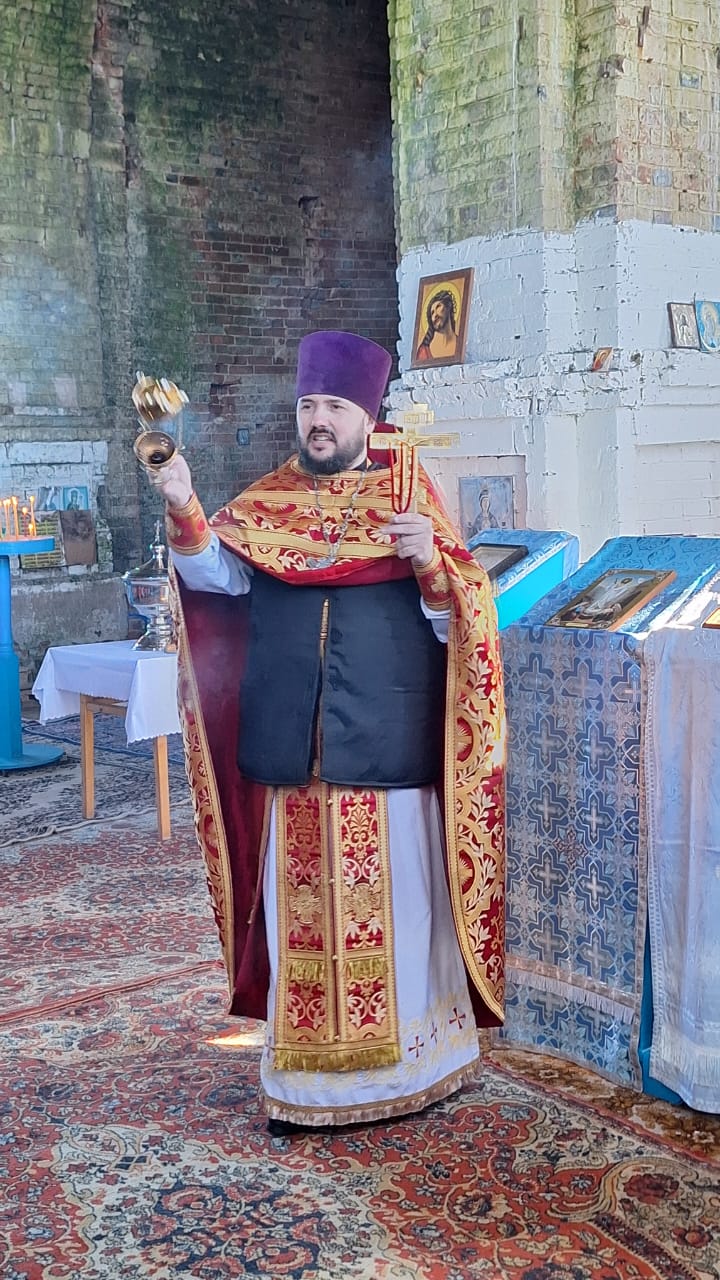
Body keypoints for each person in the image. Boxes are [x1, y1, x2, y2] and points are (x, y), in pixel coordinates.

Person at [147, 330, 505, 1134]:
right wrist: (183, 504)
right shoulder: (268, 500)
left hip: (385, 745)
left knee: (402, 917)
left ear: (366, 418)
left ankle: (413, 1069)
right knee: (298, 918)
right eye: (309, 404)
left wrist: (429, 563)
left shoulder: (407, 498)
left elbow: (462, 628)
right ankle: (309, 1090)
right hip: (292, 750)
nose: (318, 420)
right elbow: (218, 580)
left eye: (335, 407)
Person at [415, 290, 458, 362]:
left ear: (448, 306)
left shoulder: (461, 345)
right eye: (432, 313)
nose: (435, 315)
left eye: (438, 306)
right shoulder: (424, 351)